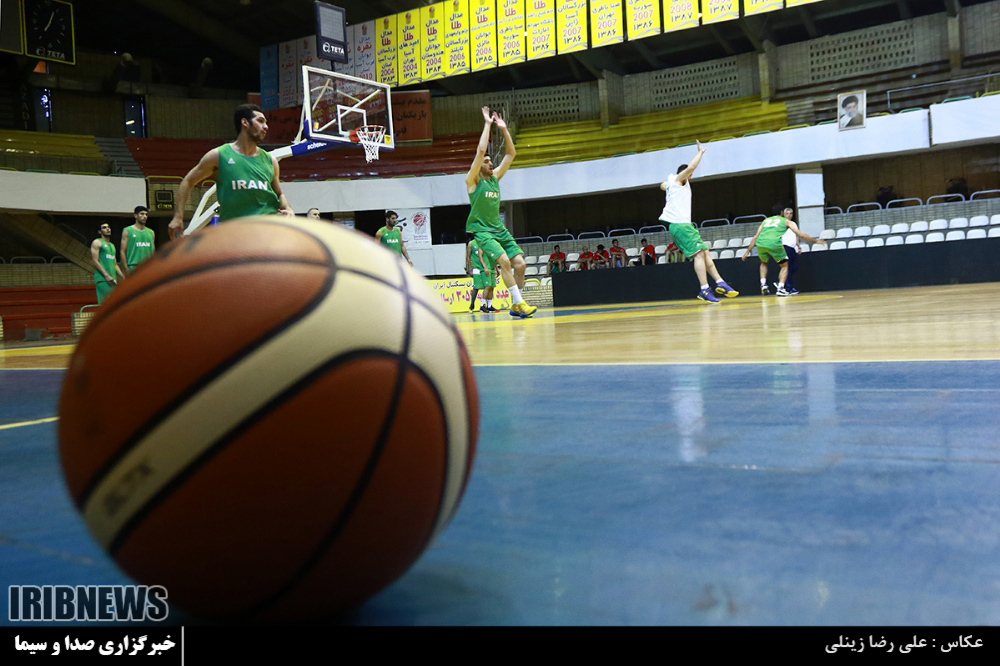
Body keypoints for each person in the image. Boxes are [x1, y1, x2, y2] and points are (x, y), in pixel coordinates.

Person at [168, 103, 294, 239]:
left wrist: (288, 209)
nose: (266, 126)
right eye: (260, 121)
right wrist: (178, 217)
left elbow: (279, 193)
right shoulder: (218, 155)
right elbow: (188, 181)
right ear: (245, 122)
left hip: (267, 232)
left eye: (266, 122)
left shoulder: (271, 161)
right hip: (233, 235)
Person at [466, 106, 536, 318]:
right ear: (479, 167)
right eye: (486, 162)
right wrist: (488, 124)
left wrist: (504, 129)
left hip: (499, 229)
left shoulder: (495, 178)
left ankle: (517, 303)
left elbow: (511, 153)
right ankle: (520, 303)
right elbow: (480, 152)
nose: (490, 162)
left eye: (490, 161)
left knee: (521, 264)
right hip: (483, 232)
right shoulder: (472, 181)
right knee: (505, 262)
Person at [659, 142, 739, 303]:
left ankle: (720, 282)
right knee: (698, 255)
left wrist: (665, 186)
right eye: (689, 174)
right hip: (680, 225)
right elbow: (689, 169)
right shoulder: (679, 180)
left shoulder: (672, 183)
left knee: (705, 252)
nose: (691, 176)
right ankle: (704, 289)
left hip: (683, 226)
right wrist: (700, 153)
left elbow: (662, 185)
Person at [742, 205, 826, 296]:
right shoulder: (786, 221)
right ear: (782, 212)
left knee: (763, 263)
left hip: (761, 243)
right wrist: (815, 241)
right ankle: (781, 288)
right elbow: (800, 235)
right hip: (774, 243)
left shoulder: (765, 221)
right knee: (785, 266)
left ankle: (763, 284)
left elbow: (755, 236)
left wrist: (747, 252)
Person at [91, 222, 124, 304]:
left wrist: (123, 277)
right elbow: (95, 260)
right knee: (107, 304)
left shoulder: (112, 246)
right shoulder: (97, 242)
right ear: (99, 231)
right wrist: (106, 275)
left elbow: (115, 264)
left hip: (112, 279)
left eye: (108, 227)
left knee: (114, 303)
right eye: (104, 227)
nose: (108, 229)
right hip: (103, 279)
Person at [120, 205, 155, 275]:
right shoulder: (128, 230)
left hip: (148, 267)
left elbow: (153, 251)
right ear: (136, 215)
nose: (144, 216)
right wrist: (126, 267)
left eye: (146, 214)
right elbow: (122, 251)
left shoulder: (151, 232)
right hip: (133, 267)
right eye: (142, 214)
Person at [466, 237, 496, 313]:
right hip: (476, 267)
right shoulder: (471, 243)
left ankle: (488, 305)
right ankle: (472, 304)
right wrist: (469, 269)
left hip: (485, 266)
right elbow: (468, 257)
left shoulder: (485, 242)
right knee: (476, 287)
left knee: (489, 286)